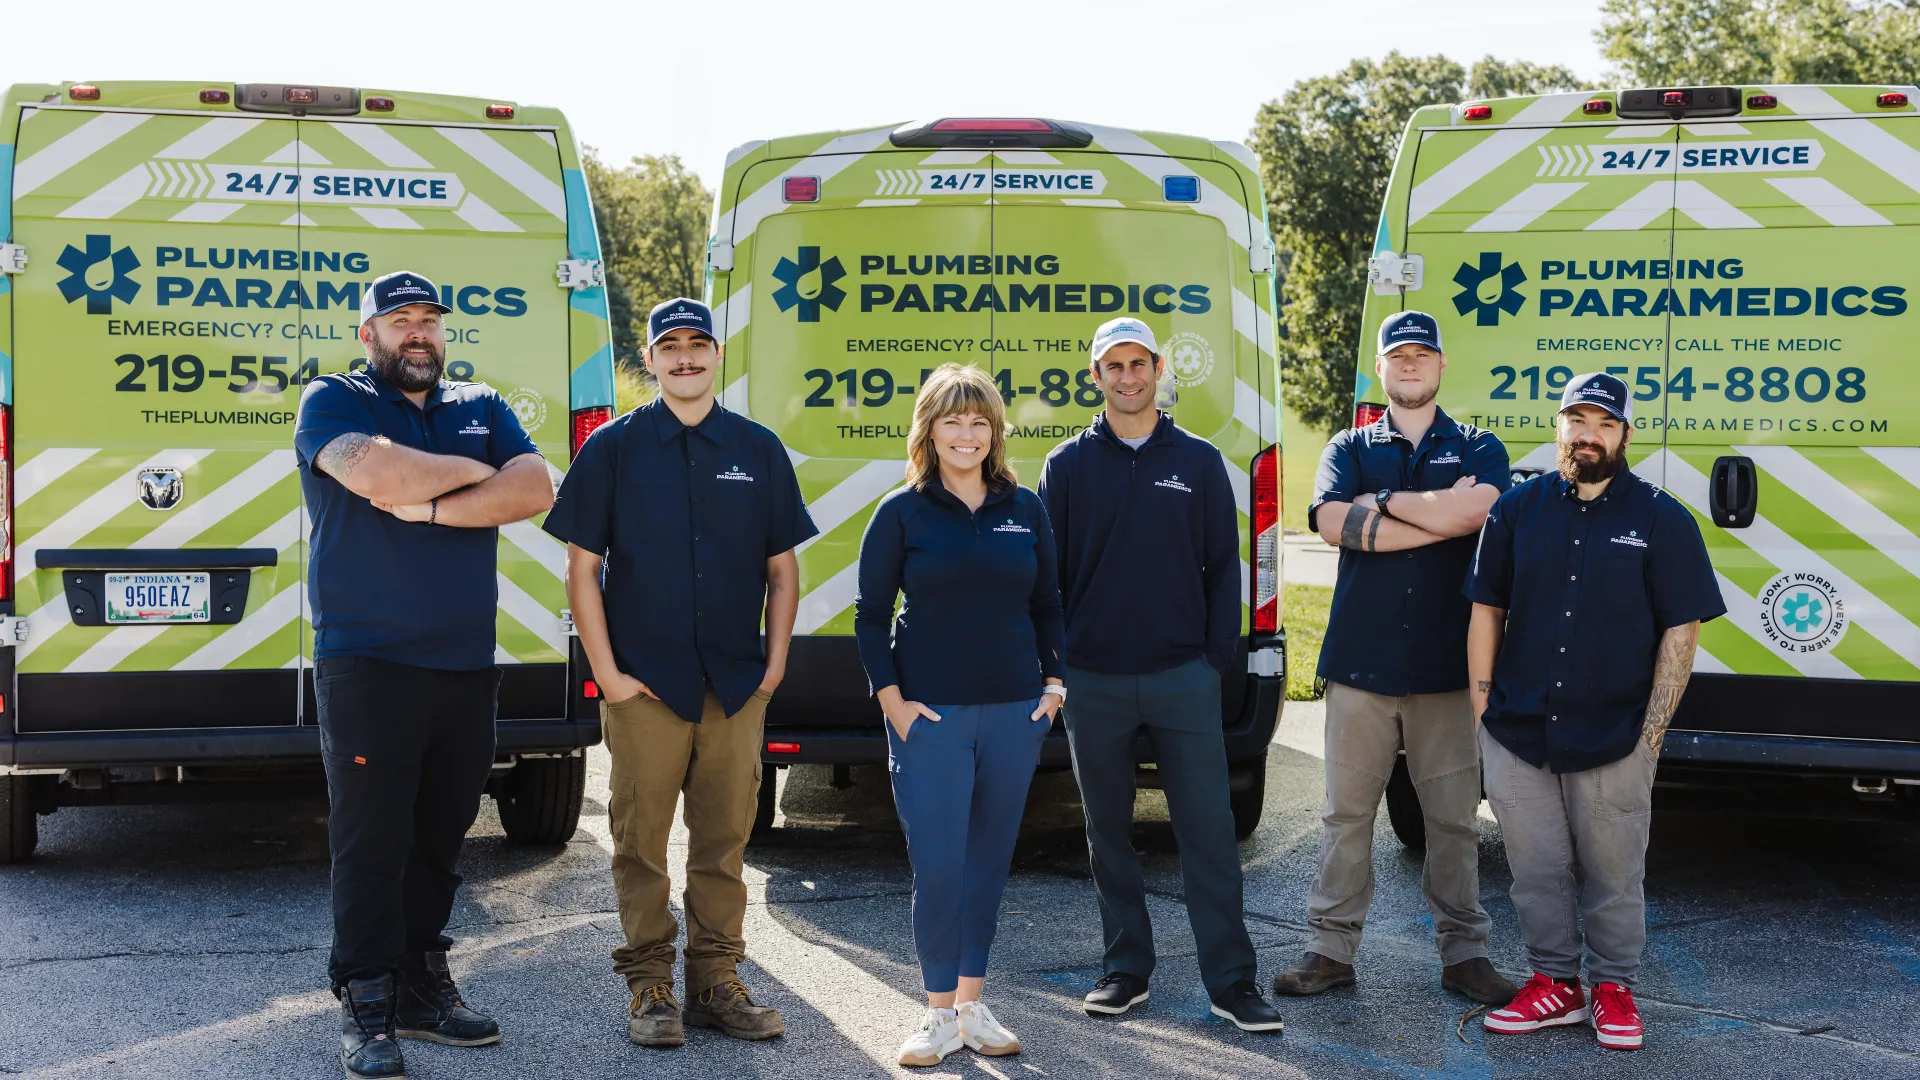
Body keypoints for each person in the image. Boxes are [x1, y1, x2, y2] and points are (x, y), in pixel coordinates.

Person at [294, 270, 556, 1080]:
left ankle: (419, 979)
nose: (418, 333)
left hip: (464, 661)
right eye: (399, 320)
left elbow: (538, 485)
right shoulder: (330, 401)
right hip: (367, 660)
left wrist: (433, 502)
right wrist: (471, 475)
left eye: (429, 322)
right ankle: (366, 1001)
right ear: (367, 333)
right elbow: (377, 478)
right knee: (371, 839)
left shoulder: (480, 405)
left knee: (442, 834)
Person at [543, 298, 815, 1049]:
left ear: (717, 355)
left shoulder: (757, 449)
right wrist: (608, 674)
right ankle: (650, 987)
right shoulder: (613, 449)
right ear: (650, 360)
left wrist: (774, 666)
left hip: (734, 685)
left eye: (699, 344)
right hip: (646, 684)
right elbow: (581, 568)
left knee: (724, 841)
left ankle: (717, 982)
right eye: (671, 346)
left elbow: (783, 572)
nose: (686, 357)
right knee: (639, 842)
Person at [1038, 317, 1284, 1033]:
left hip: (1182, 678)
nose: (1126, 377)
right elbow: (1047, 581)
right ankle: (1125, 970)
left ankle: (1233, 982)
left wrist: (1209, 665)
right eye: (1111, 366)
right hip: (1096, 679)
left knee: (1208, 831)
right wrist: (1060, 670)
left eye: (1137, 363)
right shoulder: (1067, 466)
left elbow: (1222, 574)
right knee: (1107, 830)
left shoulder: (1201, 463)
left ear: (1157, 368)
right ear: (1096, 376)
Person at [1468, 372, 1723, 1051]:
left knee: (1614, 873)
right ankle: (1554, 983)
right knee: (1534, 870)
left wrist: (1652, 735)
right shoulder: (1517, 510)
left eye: (1603, 422)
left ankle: (1612, 987)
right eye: (1577, 419)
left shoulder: (1663, 520)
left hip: (1616, 735)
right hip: (1519, 730)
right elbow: (1485, 608)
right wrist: (1481, 706)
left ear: (1624, 435)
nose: (1588, 433)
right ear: (1559, 428)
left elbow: (1682, 629)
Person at [1274, 310, 1516, 1007]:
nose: (1410, 364)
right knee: (1345, 817)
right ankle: (1330, 952)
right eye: (1397, 356)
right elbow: (1328, 522)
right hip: (1361, 666)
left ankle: (1465, 957)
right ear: (1380, 369)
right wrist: (1438, 519)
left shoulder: (1478, 445)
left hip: (1447, 668)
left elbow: (1484, 511)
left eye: (1422, 354)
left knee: (1451, 821)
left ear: (1441, 365)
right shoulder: (1348, 445)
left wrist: (1381, 510)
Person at [853, 363, 1066, 1067]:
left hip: (1013, 712)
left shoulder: (1025, 508)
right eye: (953, 420)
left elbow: (1048, 605)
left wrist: (1053, 686)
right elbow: (870, 617)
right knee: (939, 866)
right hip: (930, 719)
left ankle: (972, 1006)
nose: (967, 434)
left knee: (987, 864)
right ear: (930, 430)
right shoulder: (902, 512)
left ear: (994, 431)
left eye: (979, 421)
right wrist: (894, 704)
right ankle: (937, 1015)